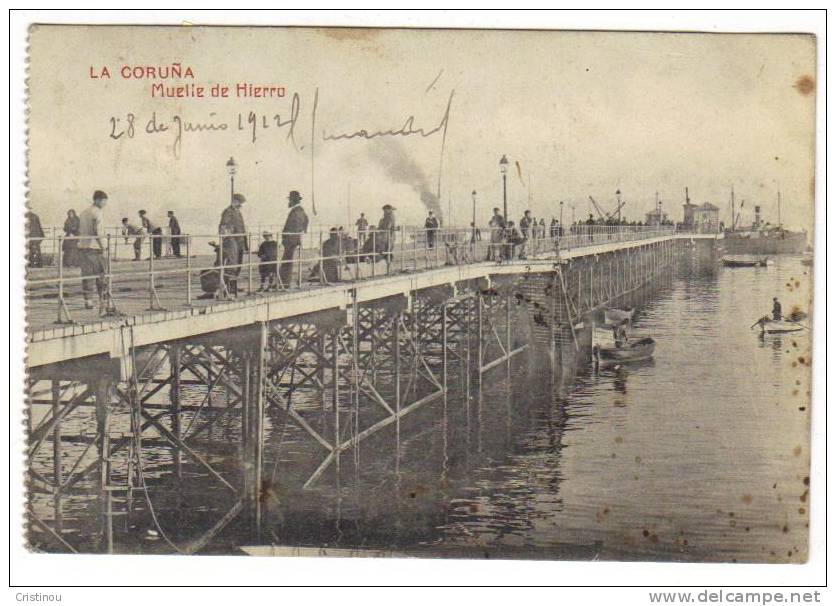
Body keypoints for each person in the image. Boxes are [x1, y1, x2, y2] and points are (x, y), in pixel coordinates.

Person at [76, 190, 111, 310]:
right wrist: (104, 247)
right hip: (95, 248)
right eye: (104, 201)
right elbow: (98, 232)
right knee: (101, 274)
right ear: (97, 200)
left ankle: (88, 301)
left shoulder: (83, 212)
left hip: (83, 247)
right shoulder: (98, 213)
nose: (105, 204)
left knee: (87, 275)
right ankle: (103, 300)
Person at [219, 193, 248, 296]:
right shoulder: (228, 212)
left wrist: (245, 245)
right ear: (234, 201)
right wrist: (227, 238)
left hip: (239, 243)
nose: (241, 205)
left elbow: (242, 228)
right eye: (240, 203)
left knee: (238, 265)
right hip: (232, 243)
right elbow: (223, 226)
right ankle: (226, 288)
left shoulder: (238, 212)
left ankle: (232, 286)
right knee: (231, 265)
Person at [279, 190, 309, 288]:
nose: (289, 202)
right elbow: (306, 220)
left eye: (290, 200)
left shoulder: (296, 211)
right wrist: (303, 230)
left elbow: (293, 226)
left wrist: (287, 237)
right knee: (287, 260)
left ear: (294, 201)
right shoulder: (301, 210)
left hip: (290, 240)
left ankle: (284, 282)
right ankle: (284, 282)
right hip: (293, 239)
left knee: (287, 261)